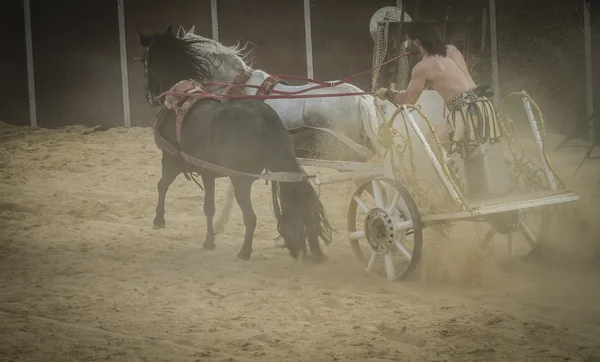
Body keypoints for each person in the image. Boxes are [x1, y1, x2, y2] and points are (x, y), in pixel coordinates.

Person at [374, 21, 502, 155]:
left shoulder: (422, 67)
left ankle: (451, 175)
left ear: (417, 42)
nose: (406, 45)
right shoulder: (451, 50)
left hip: (466, 112)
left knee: (432, 141)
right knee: (470, 153)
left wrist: (387, 93)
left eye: (408, 40)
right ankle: (465, 172)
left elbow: (407, 101)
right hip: (484, 105)